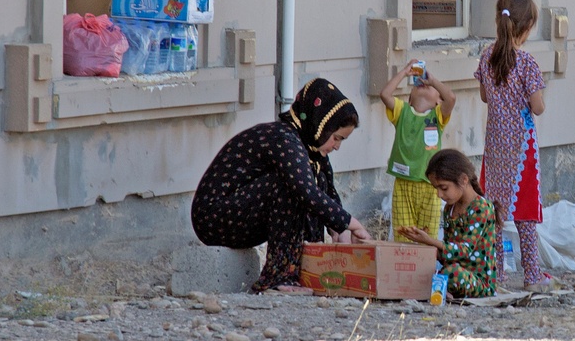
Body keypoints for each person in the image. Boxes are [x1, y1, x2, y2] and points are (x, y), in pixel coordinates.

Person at [191, 78, 372, 292]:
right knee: (291, 186)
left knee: (315, 180)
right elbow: (305, 191)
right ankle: (278, 278)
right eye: (336, 138)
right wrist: (352, 224)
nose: (337, 146)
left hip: (243, 214)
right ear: (319, 124)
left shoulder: (311, 150)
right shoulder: (283, 138)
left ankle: (308, 269)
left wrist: (340, 232)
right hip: (214, 219)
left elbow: (327, 193)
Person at [475, 0, 548, 291]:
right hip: (521, 146)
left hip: (495, 147)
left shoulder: (486, 56)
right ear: (527, 27)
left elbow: (483, 96)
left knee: (495, 211)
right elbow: (538, 107)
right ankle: (532, 275)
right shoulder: (528, 63)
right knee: (525, 213)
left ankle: (495, 274)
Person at [398, 148, 497, 298]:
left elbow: (464, 251)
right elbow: (448, 251)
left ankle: (444, 287)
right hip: (450, 269)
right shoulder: (450, 208)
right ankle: (443, 287)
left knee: (452, 273)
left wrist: (430, 240)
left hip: (476, 281)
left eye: (443, 188)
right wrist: (421, 243)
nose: (439, 194)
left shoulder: (481, 208)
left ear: (463, 180)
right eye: (436, 189)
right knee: (419, 268)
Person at [380, 59, 456, 242]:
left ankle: (424, 268)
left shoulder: (437, 117)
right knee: (403, 234)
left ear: (438, 101)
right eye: (419, 86)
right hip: (403, 184)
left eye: (430, 88)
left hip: (430, 186)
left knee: (426, 236)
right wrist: (404, 72)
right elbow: (385, 94)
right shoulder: (402, 112)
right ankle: (404, 268)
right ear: (410, 98)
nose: (423, 85)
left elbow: (451, 98)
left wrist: (432, 80)